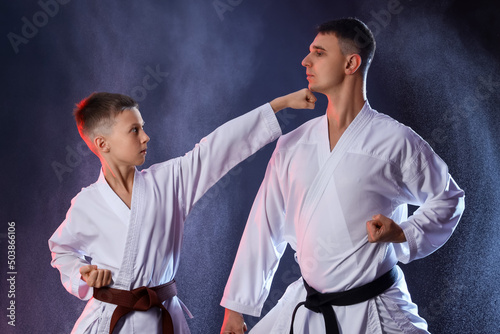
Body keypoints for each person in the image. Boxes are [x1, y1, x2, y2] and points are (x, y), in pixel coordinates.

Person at [220, 18, 465, 334]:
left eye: (319, 53)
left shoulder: (395, 140)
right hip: (308, 308)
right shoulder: (293, 144)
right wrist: (236, 309)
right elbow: (264, 227)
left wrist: (404, 232)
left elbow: (448, 198)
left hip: (377, 310)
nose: (306, 61)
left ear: (351, 63)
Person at [48, 88, 317, 334]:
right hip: (109, 321)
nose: (145, 136)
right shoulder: (86, 204)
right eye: (134, 130)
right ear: (102, 144)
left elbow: (216, 149)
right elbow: (61, 250)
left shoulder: (169, 181)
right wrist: (82, 273)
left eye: (143, 127)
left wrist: (279, 105)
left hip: (161, 319)